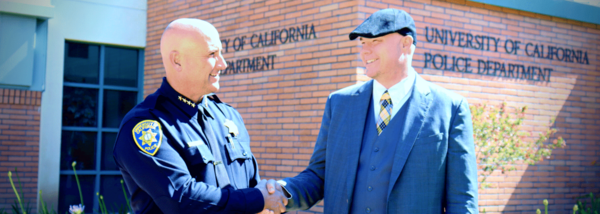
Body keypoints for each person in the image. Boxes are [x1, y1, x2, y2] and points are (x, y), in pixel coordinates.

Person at [266, 8, 479, 213]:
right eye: (363, 43)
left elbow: (462, 199)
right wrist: (281, 192)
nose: (365, 50)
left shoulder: (450, 108)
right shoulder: (339, 103)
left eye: (375, 41)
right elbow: (319, 175)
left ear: (406, 44)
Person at [113, 18, 288, 214]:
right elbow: (182, 199)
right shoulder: (146, 125)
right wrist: (258, 199)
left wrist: (265, 199)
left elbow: (250, 186)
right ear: (177, 60)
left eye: (221, 53)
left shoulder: (228, 115)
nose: (223, 64)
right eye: (212, 54)